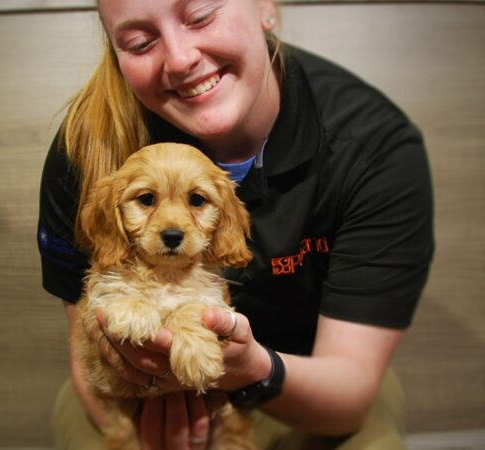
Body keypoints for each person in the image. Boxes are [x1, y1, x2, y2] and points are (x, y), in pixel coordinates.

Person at [37, 0, 434, 448]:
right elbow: (87, 346)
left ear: (266, 7)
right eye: (140, 42)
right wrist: (146, 424)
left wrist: (250, 372)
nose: (181, 58)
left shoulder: (375, 150)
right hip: (133, 393)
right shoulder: (88, 143)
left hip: (304, 381)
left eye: (201, 15)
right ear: (115, 52)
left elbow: (350, 388)